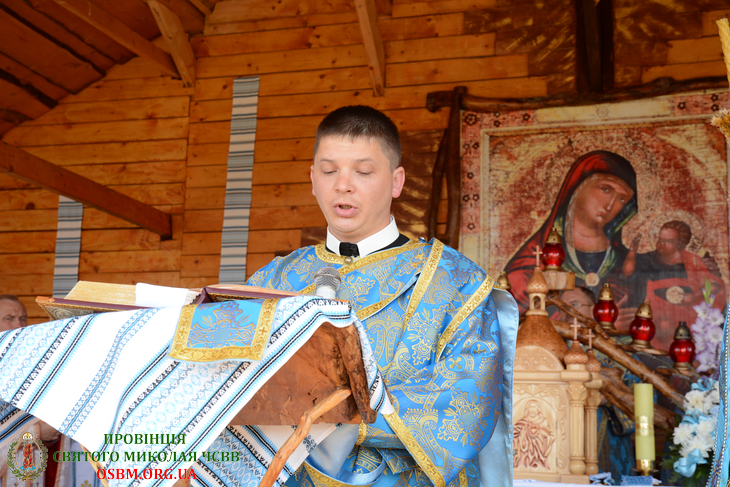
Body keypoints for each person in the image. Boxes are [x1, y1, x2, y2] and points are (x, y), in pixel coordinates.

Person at [246, 106, 518, 487]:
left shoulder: (456, 281)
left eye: (363, 171)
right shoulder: (273, 279)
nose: (343, 185)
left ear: (396, 181)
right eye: (329, 171)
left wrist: (337, 418)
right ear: (312, 179)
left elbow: (466, 402)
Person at [504, 151, 638, 315]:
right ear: (579, 187)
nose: (610, 205)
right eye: (605, 189)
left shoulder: (622, 261)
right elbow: (508, 317)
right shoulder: (534, 258)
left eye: (622, 199)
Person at [623, 220, 726, 348]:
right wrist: (632, 250)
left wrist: (695, 296)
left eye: (668, 241)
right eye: (660, 240)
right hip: (657, 307)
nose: (661, 244)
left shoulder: (692, 261)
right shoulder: (649, 258)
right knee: (663, 325)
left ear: (680, 243)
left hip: (686, 310)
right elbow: (627, 272)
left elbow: (715, 284)